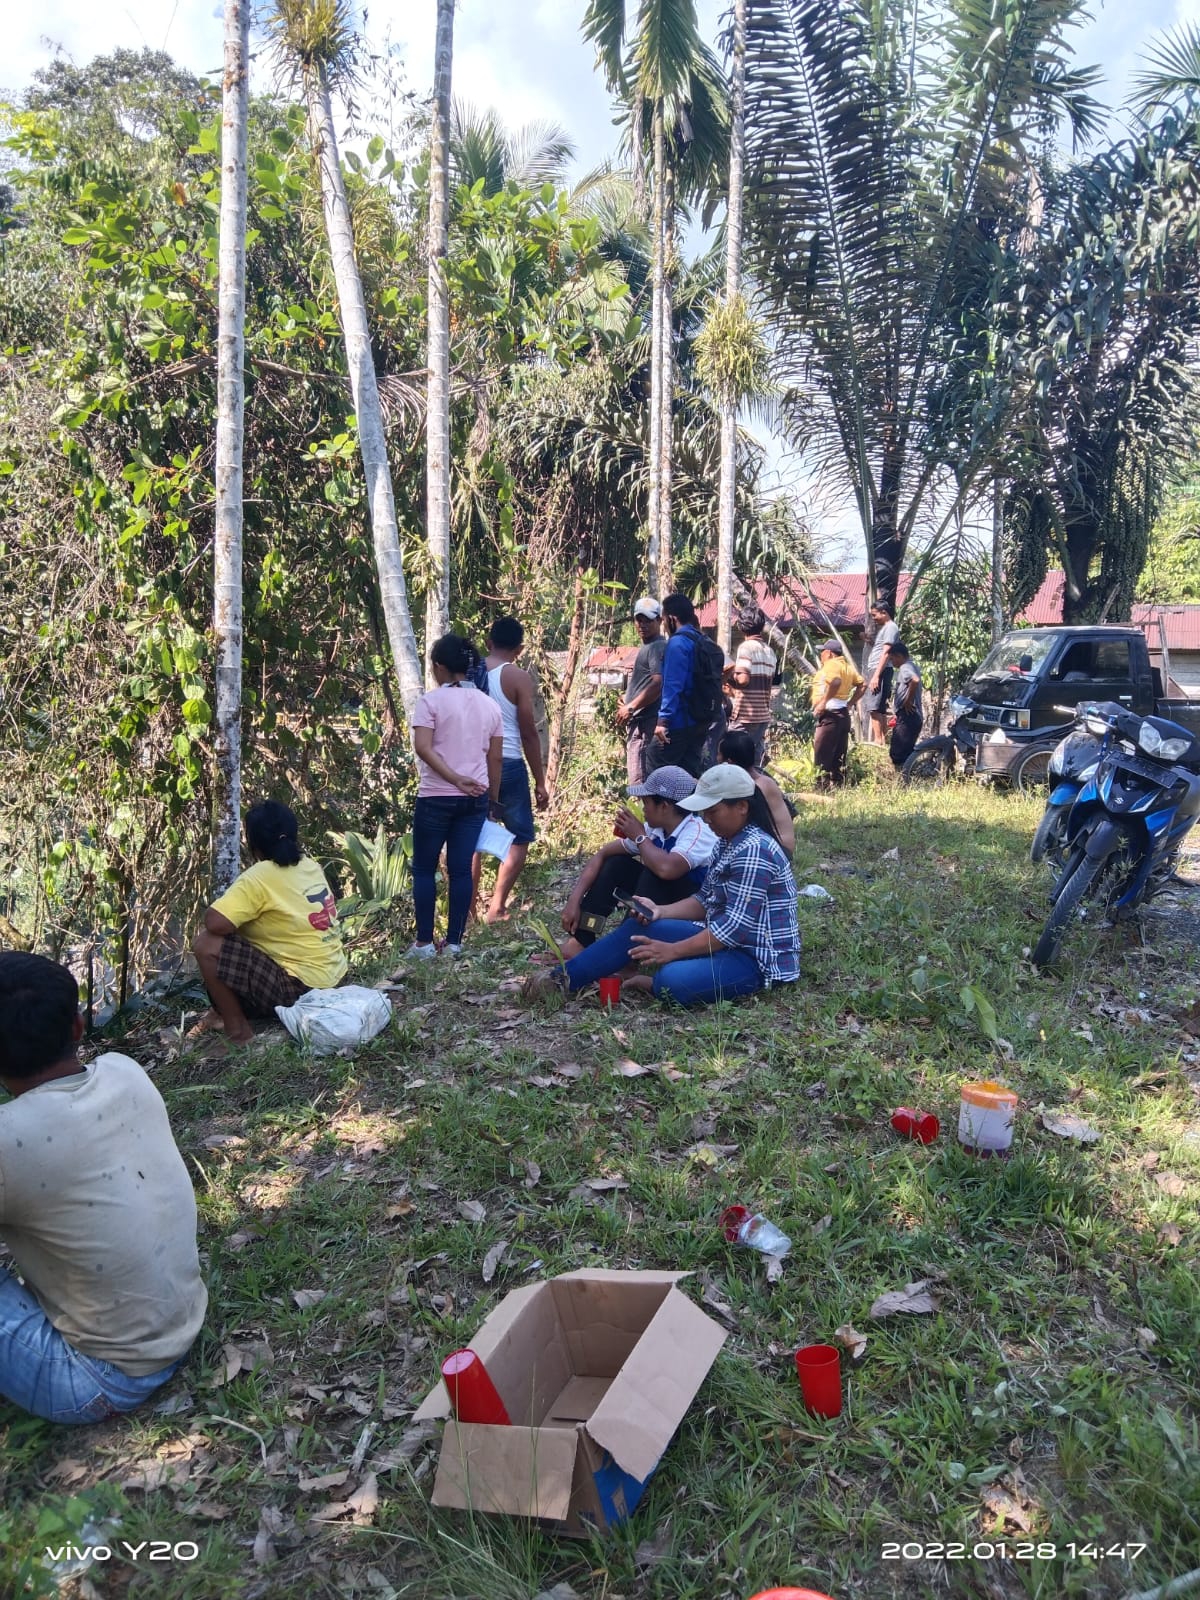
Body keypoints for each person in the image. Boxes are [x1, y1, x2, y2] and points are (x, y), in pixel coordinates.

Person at [0, 952, 207, 1424]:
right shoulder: (123, 1070)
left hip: (97, 1378)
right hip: (185, 1320)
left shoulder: (7, 1139)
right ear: (77, 1026)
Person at [525, 763, 799, 1008]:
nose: (707, 818)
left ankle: (655, 983)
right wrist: (660, 911)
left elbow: (731, 931)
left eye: (713, 811)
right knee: (638, 927)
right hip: (721, 939)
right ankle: (559, 980)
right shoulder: (726, 842)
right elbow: (705, 900)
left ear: (742, 807)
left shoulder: (754, 850)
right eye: (705, 811)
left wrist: (672, 951)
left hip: (755, 958)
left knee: (671, 980)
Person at [193, 800, 348, 1042]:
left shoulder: (259, 876)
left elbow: (214, 922)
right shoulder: (310, 865)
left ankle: (237, 1031)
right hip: (335, 976)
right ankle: (218, 1014)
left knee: (206, 944)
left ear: (253, 844)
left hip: (302, 988)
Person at [409, 633, 504, 957]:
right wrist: (492, 799)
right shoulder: (490, 705)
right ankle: (454, 943)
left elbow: (423, 748)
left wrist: (453, 778)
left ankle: (424, 943)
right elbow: (495, 758)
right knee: (461, 869)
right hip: (475, 797)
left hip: (435, 796)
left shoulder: (430, 702)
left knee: (424, 868)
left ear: (439, 666)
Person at [558, 765, 717, 957]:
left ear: (664, 806)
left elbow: (667, 869)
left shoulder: (697, 832)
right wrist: (574, 900)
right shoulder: (655, 830)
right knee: (616, 864)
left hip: (690, 912)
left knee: (654, 874)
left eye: (646, 802)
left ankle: (625, 954)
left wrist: (640, 837)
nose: (643, 809)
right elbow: (603, 854)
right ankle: (581, 940)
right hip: (661, 899)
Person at [475, 616, 549, 922]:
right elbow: (529, 733)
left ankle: (466, 913)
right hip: (508, 763)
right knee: (520, 835)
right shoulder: (517, 677)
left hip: (474, 765)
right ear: (519, 649)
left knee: (472, 837)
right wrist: (540, 781)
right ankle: (497, 906)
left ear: (488, 642)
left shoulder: (470, 672)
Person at [648, 594, 722, 779]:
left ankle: (661, 799)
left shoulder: (677, 644)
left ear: (672, 619)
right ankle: (688, 800)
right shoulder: (702, 640)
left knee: (656, 766)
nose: (664, 626)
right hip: (700, 721)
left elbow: (673, 686)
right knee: (688, 774)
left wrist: (662, 722)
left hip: (679, 722)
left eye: (664, 620)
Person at [718, 729, 796, 854]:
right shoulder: (762, 779)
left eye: (719, 754)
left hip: (777, 850)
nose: (716, 758)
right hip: (773, 845)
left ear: (729, 762)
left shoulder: (754, 787)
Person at [615, 598, 667, 784]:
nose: (642, 625)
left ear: (660, 620)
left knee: (640, 783)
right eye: (639, 620)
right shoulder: (648, 647)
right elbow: (647, 682)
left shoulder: (656, 647)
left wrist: (631, 707)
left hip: (645, 724)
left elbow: (658, 683)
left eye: (648, 620)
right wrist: (628, 697)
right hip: (640, 722)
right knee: (639, 780)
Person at [726, 604, 778, 764]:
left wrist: (728, 675)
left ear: (741, 626)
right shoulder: (769, 651)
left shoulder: (746, 648)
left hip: (746, 716)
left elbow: (743, 680)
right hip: (762, 715)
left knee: (731, 758)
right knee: (754, 762)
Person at [810, 638, 864, 789]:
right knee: (839, 754)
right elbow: (862, 684)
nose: (821, 655)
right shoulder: (847, 667)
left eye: (822, 652)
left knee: (822, 753)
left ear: (829, 653)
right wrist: (850, 703)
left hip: (830, 714)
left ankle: (822, 788)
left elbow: (835, 682)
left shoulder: (831, 664)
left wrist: (823, 702)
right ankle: (839, 786)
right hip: (842, 714)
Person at [862, 599, 901, 744]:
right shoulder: (887, 629)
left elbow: (886, 652)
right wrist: (869, 640)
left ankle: (878, 740)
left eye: (874, 615)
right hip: (881, 669)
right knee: (879, 707)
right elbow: (881, 649)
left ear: (884, 612)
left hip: (880, 670)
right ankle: (882, 741)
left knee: (873, 707)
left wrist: (876, 676)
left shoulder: (890, 627)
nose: (874, 618)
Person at [888, 639, 924, 769]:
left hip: (908, 715)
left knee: (898, 752)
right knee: (906, 751)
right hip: (913, 716)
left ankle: (903, 776)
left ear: (899, 656)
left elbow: (915, 680)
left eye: (892, 659)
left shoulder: (905, 668)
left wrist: (908, 701)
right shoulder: (913, 666)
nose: (892, 663)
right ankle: (908, 775)